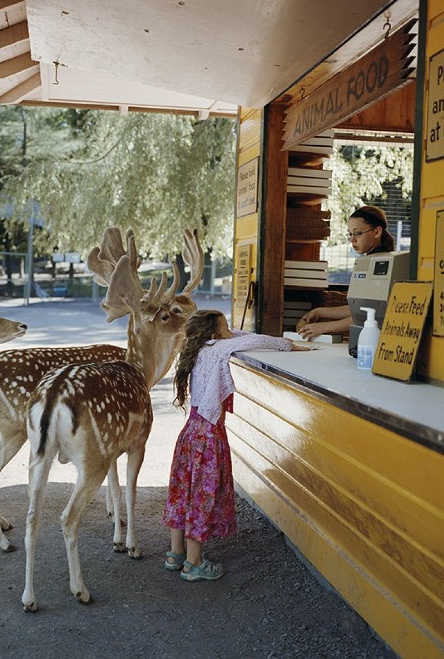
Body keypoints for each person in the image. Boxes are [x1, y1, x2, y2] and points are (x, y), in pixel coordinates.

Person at [162, 309, 310, 581]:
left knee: (182, 490)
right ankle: (194, 563)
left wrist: (226, 331)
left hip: (190, 432)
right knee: (201, 496)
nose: (232, 330)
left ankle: (176, 554)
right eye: (226, 326)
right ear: (215, 334)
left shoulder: (201, 347)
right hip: (208, 435)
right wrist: (290, 345)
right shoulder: (221, 348)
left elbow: (241, 336)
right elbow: (253, 341)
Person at [298, 205, 395, 341]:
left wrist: (323, 327)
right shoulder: (369, 261)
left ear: (377, 232)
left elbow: (373, 314)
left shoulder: (384, 264)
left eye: (358, 233)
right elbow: (360, 309)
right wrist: (319, 312)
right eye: (350, 234)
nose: (352, 239)